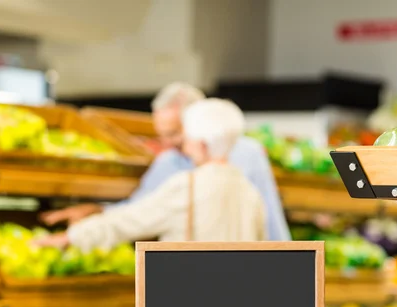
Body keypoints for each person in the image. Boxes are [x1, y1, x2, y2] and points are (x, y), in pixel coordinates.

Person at [40, 82, 290, 241]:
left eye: (174, 134)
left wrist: (72, 237)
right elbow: (139, 208)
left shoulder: (246, 154)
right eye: (161, 135)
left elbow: (270, 222)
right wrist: (95, 210)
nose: (167, 143)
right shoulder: (168, 162)